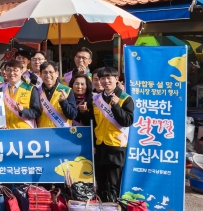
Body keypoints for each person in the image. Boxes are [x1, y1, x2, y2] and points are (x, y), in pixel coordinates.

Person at [88, 67, 135, 200]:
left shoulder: (125, 99)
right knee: (101, 184)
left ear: (116, 79)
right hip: (100, 145)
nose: (106, 81)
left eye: (109, 78)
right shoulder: (96, 99)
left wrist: (116, 106)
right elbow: (93, 123)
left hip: (116, 145)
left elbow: (127, 121)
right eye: (102, 78)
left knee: (115, 184)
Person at [36, 61, 77, 128]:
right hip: (42, 133)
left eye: (51, 72)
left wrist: (64, 102)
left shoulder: (67, 90)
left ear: (57, 73)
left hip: (61, 133)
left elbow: (72, 115)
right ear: (40, 75)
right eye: (45, 72)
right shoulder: (36, 91)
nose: (48, 75)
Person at [3, 60, 41, 129]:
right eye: (8, 70)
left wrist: (23, 110)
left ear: (21, 71)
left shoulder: (30, 88)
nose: (11, 73)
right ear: (5, 72)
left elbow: (36, 113)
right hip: (6, 131)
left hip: (24, 131)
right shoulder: (1, 89)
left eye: (15, 70)